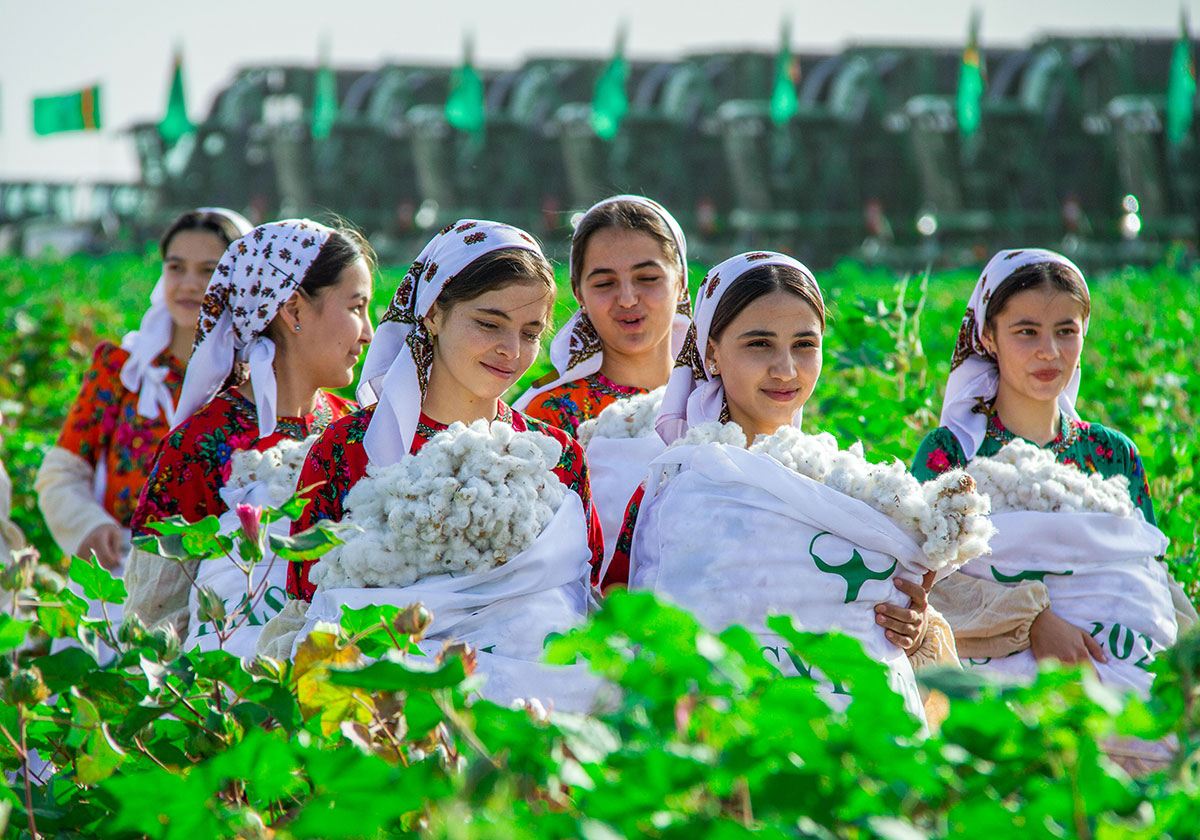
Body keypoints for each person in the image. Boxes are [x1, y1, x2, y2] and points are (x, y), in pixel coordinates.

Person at [610, 252, 954, 672]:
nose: (786, 369)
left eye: (804, 345)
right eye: (760, 344)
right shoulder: (672, 491)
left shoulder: (846, 485)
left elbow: (881, 619)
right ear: (711, 353)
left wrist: (912, 627)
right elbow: (621, 619)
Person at [285, 220, 603, 603]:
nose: (512, 350)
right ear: (433, 313)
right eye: (489, 324)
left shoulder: (556, 456)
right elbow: (305, 602)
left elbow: (585, 592)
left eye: (531, 333)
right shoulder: (347, 449)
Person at [911, 248, 1197, 665]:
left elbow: (1144, 577)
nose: (1049, 351)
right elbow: (923, 585)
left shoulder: (1113, 455)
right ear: (987, 336)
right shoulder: (952, 453)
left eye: (1066, 331)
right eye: (1026, 332)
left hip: (1118, 670)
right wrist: (1032, 621)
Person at [124, 219, 373, 651]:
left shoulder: (353, 431)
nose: (368, 332)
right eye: (356, 307)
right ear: (293, 309)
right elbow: (155, 616)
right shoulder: (201, 444)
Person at [35, 208, 252, 569]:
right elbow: (61, 473)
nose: (189, 284)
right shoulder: (123, 370)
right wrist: (90, 525)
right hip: (121, 570)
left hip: (223, 575)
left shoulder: (253, 382)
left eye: (209, 271)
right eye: (176, 267)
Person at [515, 195, 691, 435]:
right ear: (579, 294)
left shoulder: (714, 402)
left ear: (681, 283)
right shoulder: (553, 417)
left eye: (648, 278)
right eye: (605, 283)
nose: (627, 300)